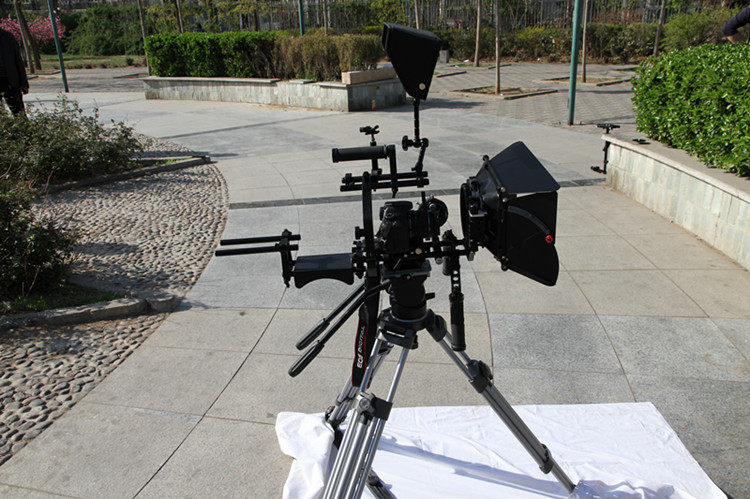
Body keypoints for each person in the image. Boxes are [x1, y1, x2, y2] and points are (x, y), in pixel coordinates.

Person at [0, 28, 29, 115]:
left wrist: (24, 83)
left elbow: (18, 61)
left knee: (19, 114)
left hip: (10, 81)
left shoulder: (7, 37)